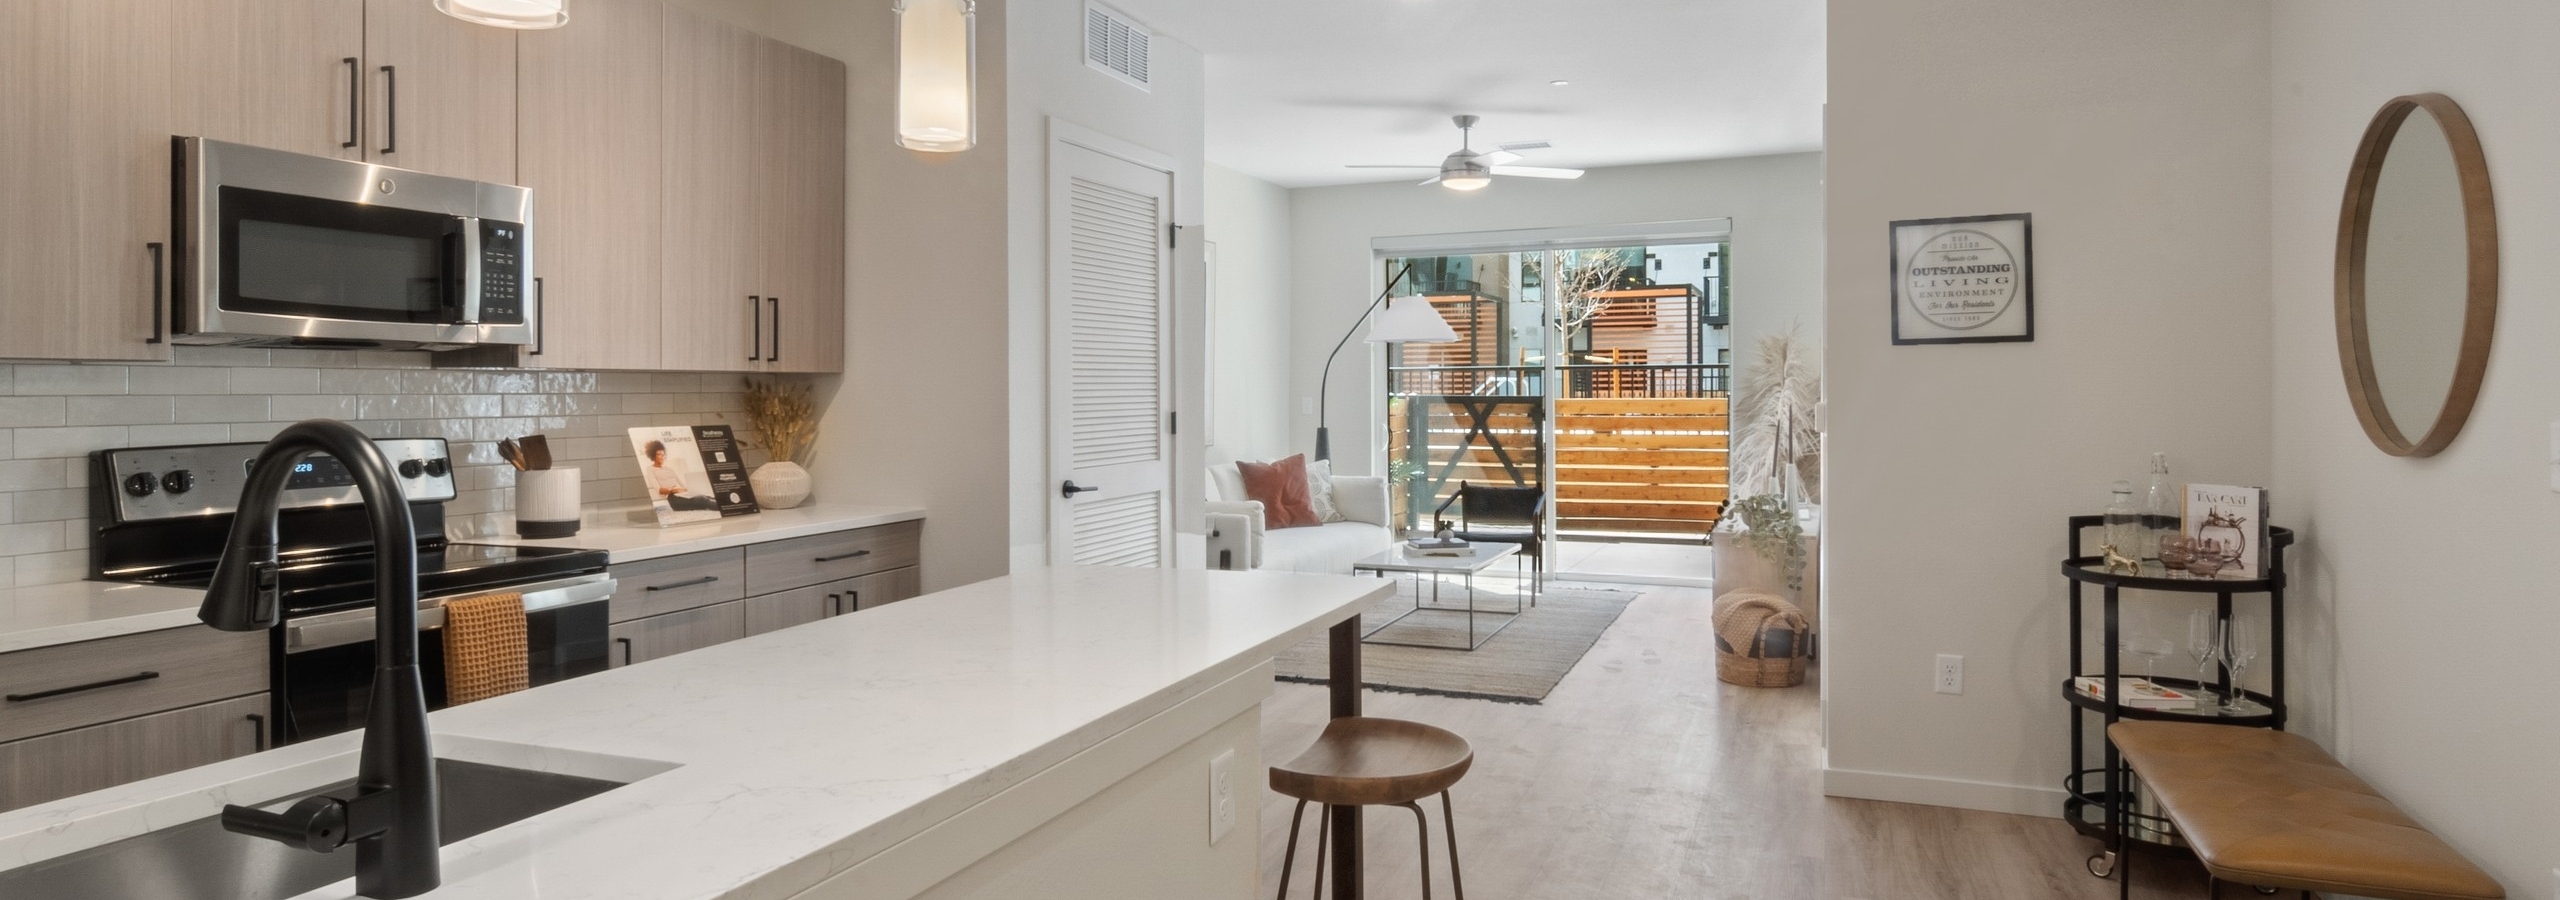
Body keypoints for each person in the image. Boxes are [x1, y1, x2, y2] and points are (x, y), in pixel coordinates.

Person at [644, 440, 719, 511]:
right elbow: (659, 490)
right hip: (674, 499)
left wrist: (690, 489)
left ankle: (723, 503)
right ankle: (723, 507)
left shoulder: (669, 469)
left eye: (663, 454)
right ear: (653, 455)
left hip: (682, 493)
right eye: (659, 454)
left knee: (706, 496)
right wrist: (674, 490)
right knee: (702, 499)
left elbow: (681, 483)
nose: (662, 456)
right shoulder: (650, 469)